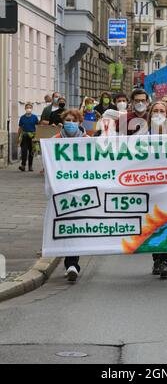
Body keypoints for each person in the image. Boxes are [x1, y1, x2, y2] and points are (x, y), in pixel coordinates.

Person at [55, 109, 88, 282]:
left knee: (77, 228)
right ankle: (70, 263)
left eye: (73, 120)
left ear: (79, 123)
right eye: (67, 120)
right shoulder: (54, 142)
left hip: (83, 193)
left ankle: (72, 264)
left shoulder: (88, 142)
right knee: (67, 228)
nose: (70, 123)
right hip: (62, 192)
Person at [147, 102, 167, 278]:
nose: (158, 114)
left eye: (161, 111)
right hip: (149, 185)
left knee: (166, 223)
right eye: (155, 111)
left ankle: (164, 261)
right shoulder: (142, 135)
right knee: (153, 224)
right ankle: (156, 259)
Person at [18, 103, 39, 172]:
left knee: (31, 151)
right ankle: (23, 165)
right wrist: (18, 137)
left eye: (30, 107)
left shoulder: (35, 117)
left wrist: (37, 136)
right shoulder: (22, 118)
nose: (28, 109)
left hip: (32, 136)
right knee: (24, 151)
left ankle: (30, 166)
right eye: (27, 107)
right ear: (25, 108)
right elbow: (20, 128)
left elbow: (37, 127)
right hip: (24, 136)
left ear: (32, 109)